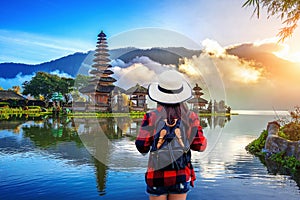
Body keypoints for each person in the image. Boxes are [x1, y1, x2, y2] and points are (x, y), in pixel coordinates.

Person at [135, 70, 207, 200]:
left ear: (159, 94)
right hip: (180, 174)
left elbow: (142, 147)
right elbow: (200, 146)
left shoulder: (151, 117)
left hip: (156, 176)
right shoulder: (190, 117)